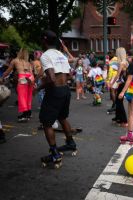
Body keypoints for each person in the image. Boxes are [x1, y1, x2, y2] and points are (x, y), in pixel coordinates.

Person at [38, 30, 76, 168]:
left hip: (55, 92)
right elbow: (70, 75)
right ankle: (71, 143)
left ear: (44, 40)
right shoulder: (61, 55)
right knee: (62, 117)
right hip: (65, 90)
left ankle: (55, 154)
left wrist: (38, 88)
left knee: (47, 123)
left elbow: (52, 78)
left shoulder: (45, 56)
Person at [1, 48, 34, 122]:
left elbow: (8, 71)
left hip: (23, 78)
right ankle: (28, 113)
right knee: (28, 97)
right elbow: (31, 72)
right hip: (30, 77)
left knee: (22, 97)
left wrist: (2, 77)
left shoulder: (15, 60)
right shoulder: (28, 62)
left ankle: (25, 114)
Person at [109, 47, 128, 127]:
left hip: (122, 83)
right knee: (118, 101)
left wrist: (111, 83)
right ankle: (118, 118)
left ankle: (124, 120)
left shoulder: (122, 63)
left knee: (119, 102)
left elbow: (117, 75)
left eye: (117, 53)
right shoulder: (125, 62)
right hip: (122, 83)